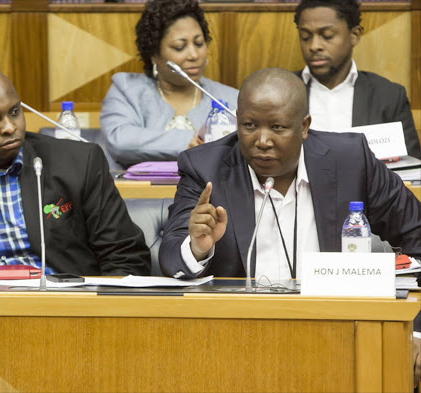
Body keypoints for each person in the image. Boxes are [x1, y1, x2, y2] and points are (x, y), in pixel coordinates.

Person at [159, 67, 421, 387]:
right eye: (249, 126)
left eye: (278, 127)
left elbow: (416, 233)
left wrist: (414, 330)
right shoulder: (205, 166)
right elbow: (170, 257)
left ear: (305, 126)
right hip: (234, 343)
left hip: (341, 337)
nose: (262, 141)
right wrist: (196, 247)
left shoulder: (350, 159)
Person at [0, 62, 151, 276]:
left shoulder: (79, 163)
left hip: (63, 311)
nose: (10, 127)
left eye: (15, 112)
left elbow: (126, 258)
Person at [100, 0, 239, 168]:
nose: (194, 55)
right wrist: (195, 141)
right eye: (180, 47)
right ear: (154, 55)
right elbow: (121, 141)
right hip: (137, 193)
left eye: (199, 43)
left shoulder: (231, 98)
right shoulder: (127, 89)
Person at [293, 0, 421, 159]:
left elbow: (412, 168)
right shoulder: (281, 92)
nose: (314, 46)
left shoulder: (389, 96)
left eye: (327, 36)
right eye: (305, 37)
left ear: (354, 35)